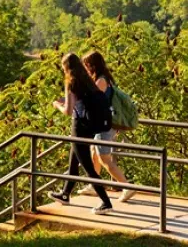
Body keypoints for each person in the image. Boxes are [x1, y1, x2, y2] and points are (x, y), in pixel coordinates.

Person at [48, 53, 113, 215]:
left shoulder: (71, 82)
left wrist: (57, 104)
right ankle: (65, 194)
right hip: (90, 126)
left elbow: (68, 111)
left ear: (66, 68)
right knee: (73, 162)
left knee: (89, 169)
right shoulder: (88, 80)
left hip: (79, 127)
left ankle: (106, 202)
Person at [78, 51, 136, 203]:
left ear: (92, 65)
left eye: (86, 65)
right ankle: (94, 185)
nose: (85, 68)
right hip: (102, 124)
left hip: (105, 125)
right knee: (94, 153)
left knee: (104, 158)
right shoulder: (101, 78)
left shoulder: (101, 81)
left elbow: (92, 100)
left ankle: (126, 186)